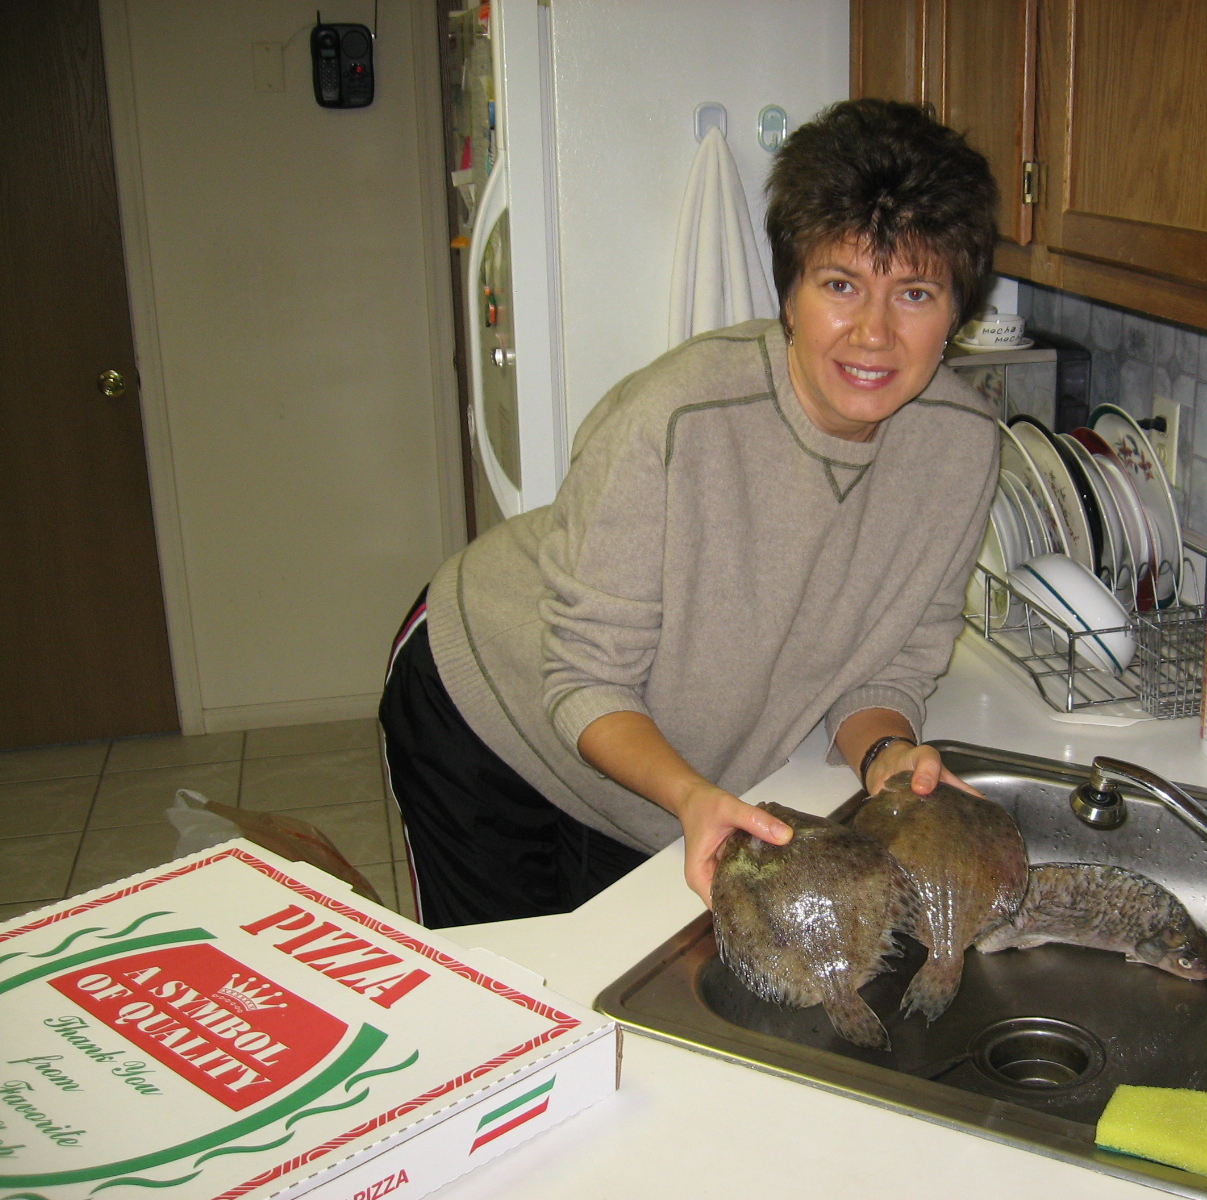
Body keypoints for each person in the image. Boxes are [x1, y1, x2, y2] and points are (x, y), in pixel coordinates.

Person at [379, 98, 1001, 927]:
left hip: (660, 773)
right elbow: (585, 676)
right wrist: (690, 794)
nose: (874, 333)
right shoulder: (678, 418)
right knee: (501, 986)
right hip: (492, 706)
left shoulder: (962, 450)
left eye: (915, 293)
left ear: (957, 314)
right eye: (840, 285)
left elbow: (888, 670)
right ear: (790, 295)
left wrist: (887, 757)